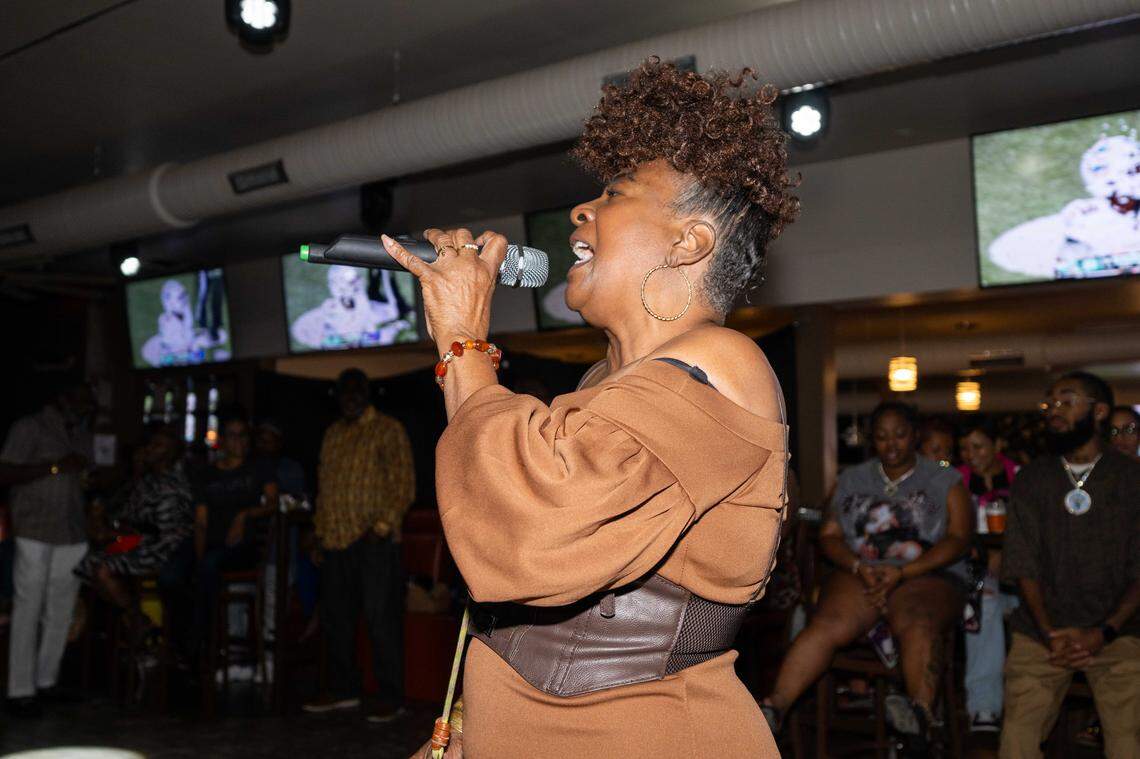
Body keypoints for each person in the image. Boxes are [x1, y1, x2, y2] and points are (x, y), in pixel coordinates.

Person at [393, 58, 798, 757]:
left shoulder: (722, 362)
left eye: (616, 192)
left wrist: (463, 342)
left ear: (690, 241)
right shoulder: (599, 385)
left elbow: (535, 529)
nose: (582, 210)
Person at [761, 401, 972, 750]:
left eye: (900, 435)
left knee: (917, 619)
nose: (892, 444)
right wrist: (860, 567)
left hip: (926, 573)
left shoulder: (945, 479)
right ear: (872, 440)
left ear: (914, 435)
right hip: (862, 572)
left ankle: (918, 721)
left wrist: (904, 572)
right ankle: (773, 710)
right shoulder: (851, 478)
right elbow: (829, 535)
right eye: (882, 436)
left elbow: (959, 538)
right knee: (830, 623)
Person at [1000, 371, 1140, 759]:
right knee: (1016, 738)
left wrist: (1105, 631)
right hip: (1043, 632)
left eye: (1067, 401)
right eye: (1050, 402)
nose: (1054, 410)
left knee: (1128, 739)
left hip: (1120, 631)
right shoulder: (1032, 478)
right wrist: (1050, 633)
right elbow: (1023, 563)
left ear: (1099, 411)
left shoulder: (1131, 479)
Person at [303, 368, 414, 722]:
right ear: (337, 396)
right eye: (344, 391)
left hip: (373, 540)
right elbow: (325, 488)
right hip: (336, 539)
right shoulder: (332, 434)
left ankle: (391, 696)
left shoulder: (387, 428)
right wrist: (319, 533)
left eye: (356, 390)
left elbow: (403, 483)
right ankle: (344, 690)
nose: (350, 397)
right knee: (337, 620)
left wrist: (381, 527)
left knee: (381, 619)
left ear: (367, 393)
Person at [0, 380, 95, 717]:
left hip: (72, 530)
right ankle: (20, 690)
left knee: (62, 611)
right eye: (81, 401)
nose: (86, 408)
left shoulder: (81, 432)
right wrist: (54, 467)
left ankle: (46, 680)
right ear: (62, 398)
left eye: (89, 403)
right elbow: (5, 471)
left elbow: (87, 474)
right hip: (34, 527)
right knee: (28, 607)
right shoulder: (29, 427)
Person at [162, 414, 277, 661]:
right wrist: (198, 556)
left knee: (209, 565)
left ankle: (199, 644)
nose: (239, 441)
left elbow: (273, 503)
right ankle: (180, 640)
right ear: (222, 440)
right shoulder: (206, 473)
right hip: (208, 541)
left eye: (243, 435)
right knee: (171, 575)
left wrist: (245, 515)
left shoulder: (259, 468)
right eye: (233, 435)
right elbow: (201, 521)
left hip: (240, 545)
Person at [75, 424, 193, 642]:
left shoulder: (172, 485)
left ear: (170, 453)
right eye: (151, 444)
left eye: (158, 445)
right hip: (136, 542)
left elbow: (166, 533)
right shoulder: (146, 481)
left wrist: (117, 534)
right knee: (87, 562)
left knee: (102, 569)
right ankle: (129, 620)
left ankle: (135, 618)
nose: (150, 449)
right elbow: (124, 515)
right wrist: (109, 529)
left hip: (162, 551)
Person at [957, 420, 1019, 734]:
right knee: (985, 603)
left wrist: (1008, 554)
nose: (971, 454)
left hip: (1023, 576)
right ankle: (984, 705)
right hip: (977, 577)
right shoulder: (956, 483)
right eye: (965, 448)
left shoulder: (1022, 478)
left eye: (978, 446)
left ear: (998, 446)